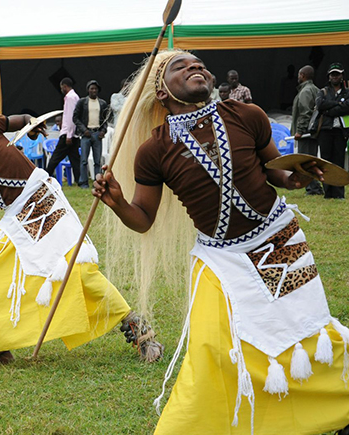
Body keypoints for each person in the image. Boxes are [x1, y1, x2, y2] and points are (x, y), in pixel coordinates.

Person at [93, 49, 349, 434]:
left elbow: (274, 169)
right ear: (161, 93)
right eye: (181, 66)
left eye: (198, 63)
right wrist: (116, 202)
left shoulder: (248, 115)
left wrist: (293, 177)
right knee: (213, 348)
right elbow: (142, 220)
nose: (196, 66)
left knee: (306, 330)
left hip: (277, 239)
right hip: (219, 259)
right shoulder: (154, 150)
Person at [0, 94, 164, 367]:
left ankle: (140, 332)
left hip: (43, 199)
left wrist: (33, 125)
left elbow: (22, 120)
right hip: (15, 216)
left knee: (73, 268)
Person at [315, 62, 349, 199]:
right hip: (325, 130)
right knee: (326, 162)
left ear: (342, 76)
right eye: (333, 74)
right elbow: (320, 105)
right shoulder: (323, 91)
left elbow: (347, 107)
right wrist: (338, 104)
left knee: (339, 162)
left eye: (337, 74)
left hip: (340, 131)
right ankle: (328, 192)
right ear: (329, 76)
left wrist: (330, 110)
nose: (335, 77)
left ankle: (339, 193)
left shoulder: (347, 92)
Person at [291, 65, 323, 195]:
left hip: (305, 133)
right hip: (313, 132)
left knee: (305, 162)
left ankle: (313, 188)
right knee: (312, 159)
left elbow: (305, 113)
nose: (298, 77)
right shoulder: (316, 89)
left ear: (303, 75)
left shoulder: (305, 92)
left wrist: (300, 130)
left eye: (299, 74)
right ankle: (315, 186)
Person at [73, 80, 109, 189]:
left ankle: (97, 182)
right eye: (91, 88)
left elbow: (106, 119)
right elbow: (75, 118)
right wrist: (84, 130)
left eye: (95, 89)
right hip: (86, 134)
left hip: (97, 134)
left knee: (97, 161)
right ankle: (83, 182)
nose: (93, 90)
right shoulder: (82, 102)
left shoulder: (102, 103)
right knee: (84, 160)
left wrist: (103, 131)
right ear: (88, 90)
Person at [45, 77, 81, 183]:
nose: (61, 90)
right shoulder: (75, 96)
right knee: (75, 159)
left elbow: (70, 117)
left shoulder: (70, 98)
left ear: (65, 86)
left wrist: (69, 135)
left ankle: (45, 176)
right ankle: (80, 180)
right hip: (73, 134)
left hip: (67, 134)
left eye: (62, 87)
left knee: (55, 157)